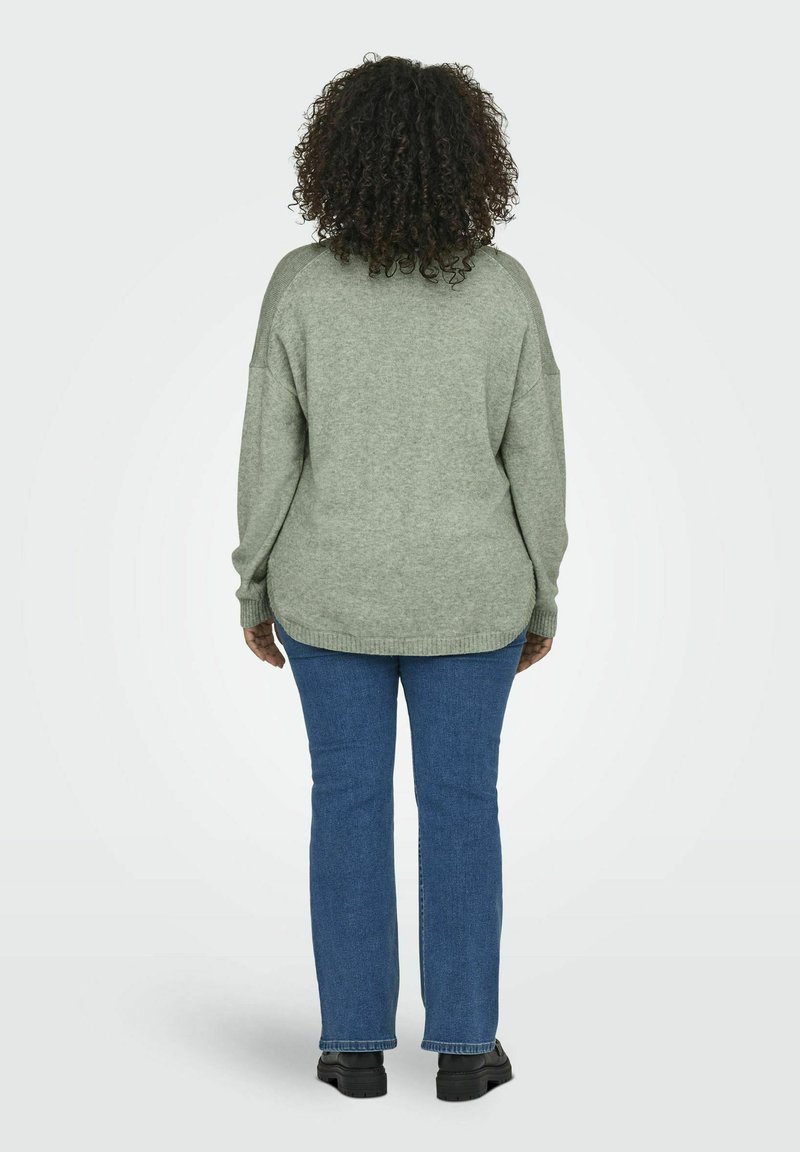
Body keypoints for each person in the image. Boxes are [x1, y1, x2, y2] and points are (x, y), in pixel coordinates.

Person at [231, 53, 568, 1102]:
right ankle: (466, 1049)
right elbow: (538, 461)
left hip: (329, 591)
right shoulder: (502, 290)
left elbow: (269, 453)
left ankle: (351, 1048)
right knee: (463, 804)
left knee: (346, 802)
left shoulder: (300, 284)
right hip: (471, 597)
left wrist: (252, 583)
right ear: (473, 162)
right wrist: (542, 592)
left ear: (335, 159)